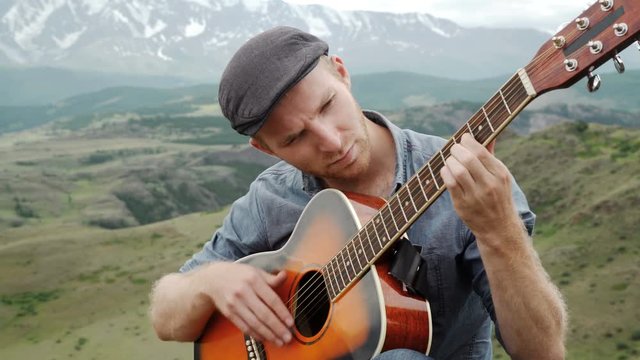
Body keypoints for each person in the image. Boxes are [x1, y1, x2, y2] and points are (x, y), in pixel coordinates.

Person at [150, 26, 566, 359]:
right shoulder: (269, 199)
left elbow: (544, 353)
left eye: (328, 105)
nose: (330, 141)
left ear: (341, 72)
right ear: (264, 149)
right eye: (295, 138)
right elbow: (166, 316)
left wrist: (499, 233)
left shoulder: (469, 179)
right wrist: (210, 282)